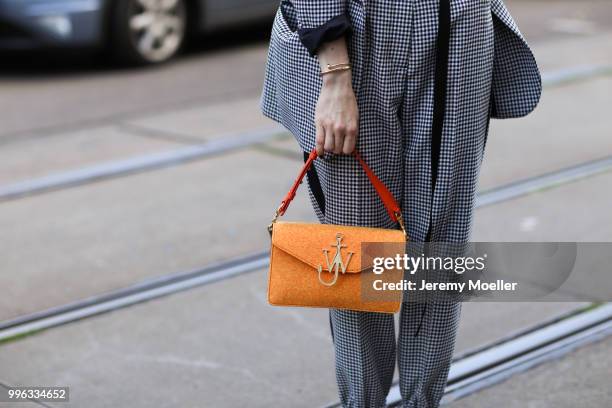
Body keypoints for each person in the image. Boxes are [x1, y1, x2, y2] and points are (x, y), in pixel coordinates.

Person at [260, 0, 541, 406]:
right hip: (355, 33)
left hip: (459, 26)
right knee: (352, 252)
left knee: (439, 247)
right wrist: (335, 74)